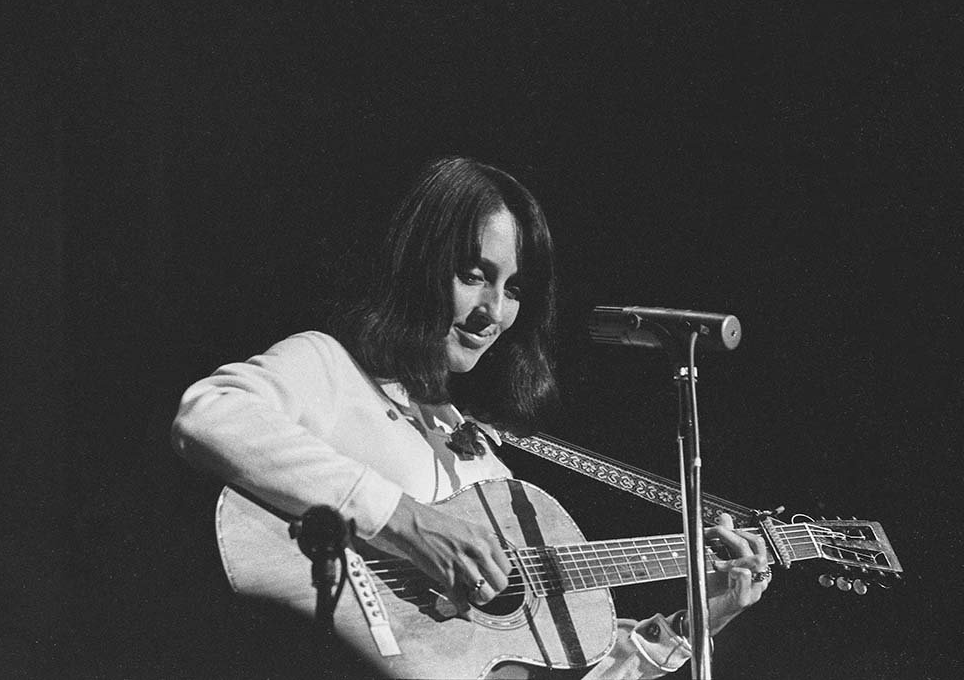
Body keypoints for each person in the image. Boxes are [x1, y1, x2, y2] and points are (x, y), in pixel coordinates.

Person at [171, 157, 770, 679]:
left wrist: (696, 625)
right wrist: (404, 522)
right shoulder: (326, 368)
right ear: (416, 264)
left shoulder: (482, 458)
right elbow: (209, 417)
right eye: (474, 275)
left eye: (513, 288)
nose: (494, 312)